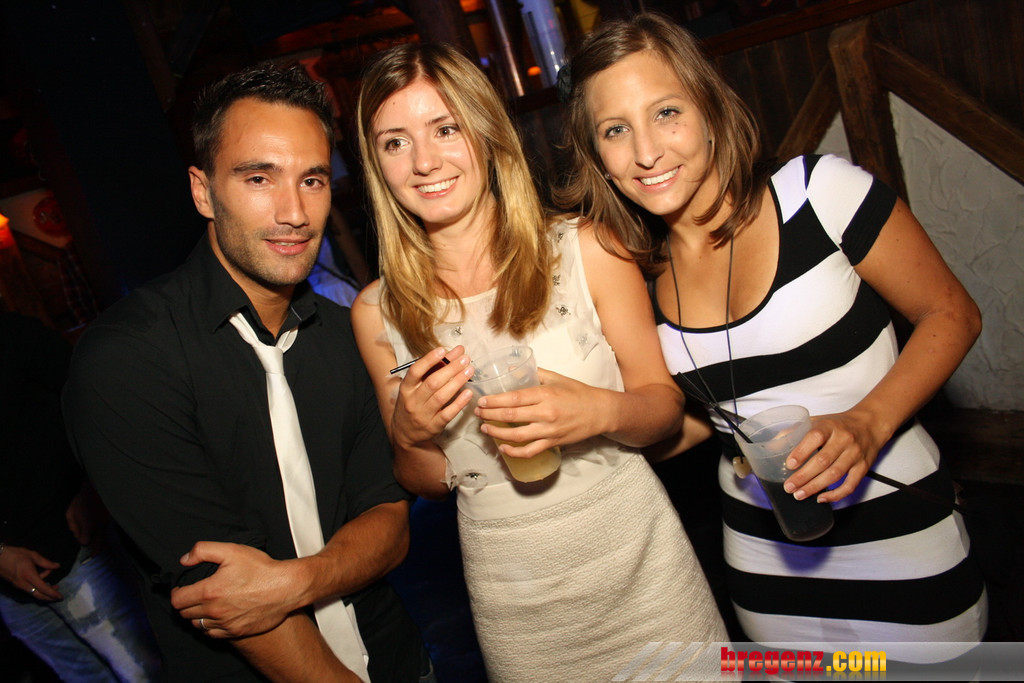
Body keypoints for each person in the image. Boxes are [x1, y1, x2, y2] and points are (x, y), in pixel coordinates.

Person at [558, 12, 988, 657]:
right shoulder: (637, 273)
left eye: (667, 112)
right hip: (764, 566)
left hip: (901, 539)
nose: (646, 152)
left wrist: (867, 423)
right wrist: (588, 433)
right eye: (615, 130)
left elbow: (952, 314)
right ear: (597, 155)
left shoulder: (817, 194)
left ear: (708, 108)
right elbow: (704, 417)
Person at [349, 42, 727, 682]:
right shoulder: (377, 313)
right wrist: (410, 435)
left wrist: (598, 412)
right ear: (376, 163)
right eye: (395, 142)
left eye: (446, 129)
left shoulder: (588, 248)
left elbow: (663, 410)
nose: (424, 161)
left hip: (641, 568)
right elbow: (429, 480)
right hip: (515, 598)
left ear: (487, 133)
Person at [63, 62, 427, 682]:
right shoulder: (127, 359)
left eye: (311, 180)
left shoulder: (348, 337)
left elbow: (389, 525)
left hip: (398, 659)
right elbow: (222, 589)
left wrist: (296, 582)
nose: (294, 212)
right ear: (203, 191)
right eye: (259, 178)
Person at [1, 311, 160, 681]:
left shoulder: (12, 334)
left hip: (74, 545)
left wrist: (93, 488)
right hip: (10, 589)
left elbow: (95, 398)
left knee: (144, 670)